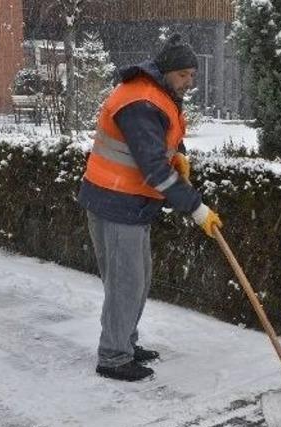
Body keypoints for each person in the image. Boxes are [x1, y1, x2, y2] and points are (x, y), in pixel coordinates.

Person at [78, 34, 222, 382]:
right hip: (115, 202)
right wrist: (197, 209)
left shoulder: (157, 95)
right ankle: (113, 356)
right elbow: (155, 168)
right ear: (167, 71)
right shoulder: (142, 102)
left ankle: (124, 341)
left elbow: (165, 137)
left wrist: (181, 153)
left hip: (131, 202)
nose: (190, 82)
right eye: (185, 75)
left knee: (137, 281)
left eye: (193, 75)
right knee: (125, 283)